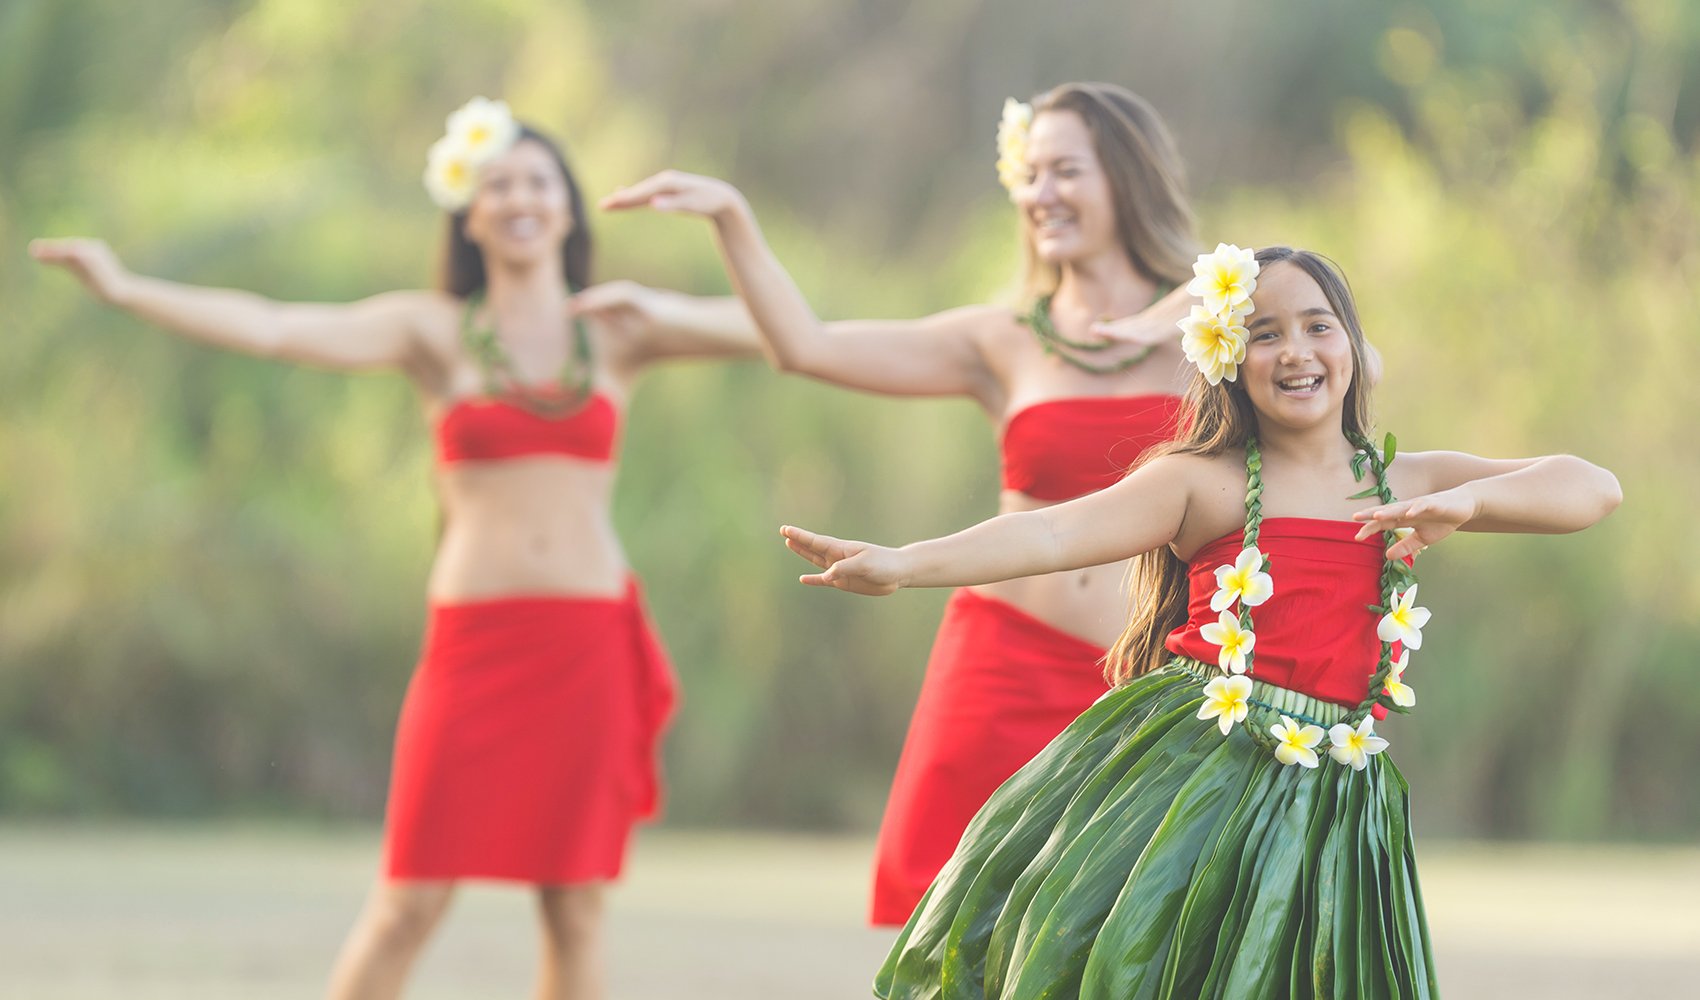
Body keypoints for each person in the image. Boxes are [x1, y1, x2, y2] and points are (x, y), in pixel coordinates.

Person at [31, 98, 757, 1000]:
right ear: (468, 213)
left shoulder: (617, 330)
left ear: (568, 208)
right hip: (474, 648)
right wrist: (126, 286)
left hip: (587, 645)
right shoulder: (433, 331)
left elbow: (792, 336)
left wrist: (719, 236)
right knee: (407, 902)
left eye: (538, 181)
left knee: (571, 909)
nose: (519, 198)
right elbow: (276, 326)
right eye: (496, 185)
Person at [780, 244, 1621, 997]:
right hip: (1193, 776)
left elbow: (1591, 486)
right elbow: (1049, 529)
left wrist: (1471, 500)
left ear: (1353, 350)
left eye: (1317, 326)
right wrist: (903, 563)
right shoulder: (1200, 482)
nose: (1294, 350)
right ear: (1228, 358)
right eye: (1263, 333)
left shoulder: (1404, 480)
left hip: (1335, 796)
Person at [595, 82, 1205, 925]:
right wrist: (733, 217)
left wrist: (1192, 306)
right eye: (1029, 175)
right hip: (1001, 663)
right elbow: (806, 347)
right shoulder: (999, 340)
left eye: (1066, 170)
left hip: (1143, 680)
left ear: (1129, 178)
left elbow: (1355, 362)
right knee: (953, 931)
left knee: (1116, 938)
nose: (1041, 194)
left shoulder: (1216, 337)